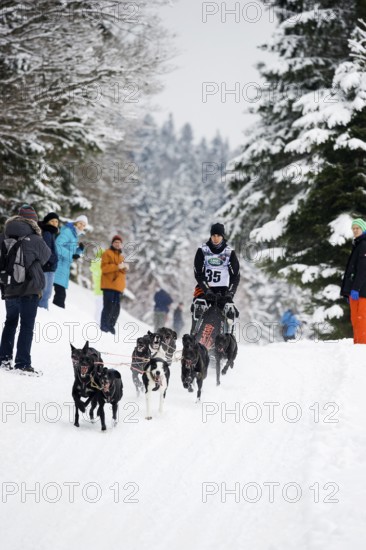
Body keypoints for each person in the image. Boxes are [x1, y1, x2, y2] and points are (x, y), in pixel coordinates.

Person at [0, 204, 51, 374]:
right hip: (30, 288)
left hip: (9, 286)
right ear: (33, 221)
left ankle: (4, 359)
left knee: (10, 322)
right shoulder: (36, 239)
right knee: (26, 326)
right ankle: (22, 364)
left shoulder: (4, 235)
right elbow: (46, 257)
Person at [191, 222, 240, 332]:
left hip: (223, 291)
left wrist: (230, 293)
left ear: (222, 236)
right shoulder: (202, 250)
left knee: (231, 312)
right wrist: (207, 290)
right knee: (198, 308)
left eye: (218, 235)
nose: (216, 238)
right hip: (204, 290)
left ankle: (229, 339)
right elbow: (198, 273)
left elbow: (235, 276)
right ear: (211, 236)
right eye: (213, 235)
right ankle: (194, 336)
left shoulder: (229, 252)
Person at [53, 214, 87, 308]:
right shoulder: (68, 232)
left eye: (84, 225)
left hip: (63, 269)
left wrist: (79, 250)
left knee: (59, 297)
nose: (82, 226)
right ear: (76, 222)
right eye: (80, 223)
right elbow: (57, 246)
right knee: (59, 298)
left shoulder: (74, 235)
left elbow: (68, 251)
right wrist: (71, 254)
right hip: (58, 266)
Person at [340, 218, 366, 344]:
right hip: (355, 291)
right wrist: (347, 291)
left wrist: (356, 288)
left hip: (362, 291)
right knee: (355, 318)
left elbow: (363, 270)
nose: (355, 230)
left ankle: (361, 346)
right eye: (353, 228)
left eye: (358, 228)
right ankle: (358, 344)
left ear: (363, 229)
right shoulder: (358, 244)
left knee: (361, 319)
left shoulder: (364, 244)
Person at [100, 235, 129, 334]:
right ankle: (104, 326)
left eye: (119, 243)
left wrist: (124, 268)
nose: (117, 244)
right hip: (109, 285)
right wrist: (117, 266)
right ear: (112, 243)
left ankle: (111, 326)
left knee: (116, 309)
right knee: (108, 306)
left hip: (118, 287)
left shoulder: (121, 257)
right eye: (115, 242)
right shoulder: (107, 253)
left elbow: (121, 271)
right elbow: (104, 268)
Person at [38, 212, 60, 310]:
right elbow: (46, 249)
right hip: (47, 266)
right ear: (47, 222)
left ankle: (43, 310)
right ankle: (41, 310)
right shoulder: (47, 232)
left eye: (56, 221)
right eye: (52, 221)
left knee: (47, 292)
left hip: (50, 266)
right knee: (45, 292)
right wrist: (53, 259)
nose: (55, 223)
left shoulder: (51, 233)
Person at [90, 247, 104, 323]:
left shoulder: (95, 262)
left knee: (100, 307)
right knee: (100, 307)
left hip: (100, 289)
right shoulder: (98, 262)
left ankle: (97, 321)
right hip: (100, 288)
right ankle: (97, 322)